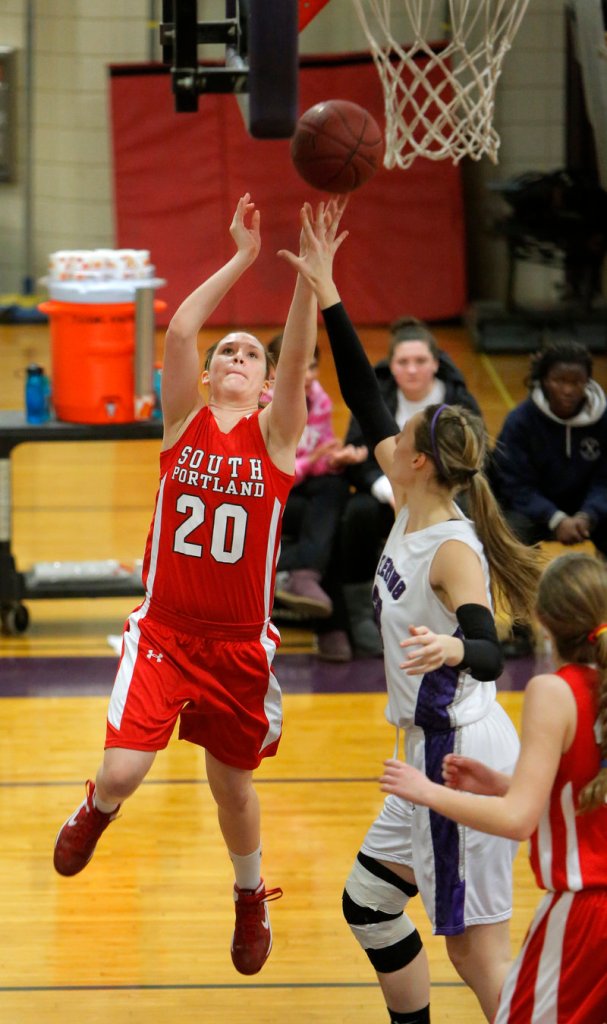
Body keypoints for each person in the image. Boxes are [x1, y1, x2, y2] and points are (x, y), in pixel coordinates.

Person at [278, 200, 542, 1023]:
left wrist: (452, 652)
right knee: (370, 905)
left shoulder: (452, 547)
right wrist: (326, 290)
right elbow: (362, 386)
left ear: (421, 459)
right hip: (423, 754)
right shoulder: (410, 494)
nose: (391, 431)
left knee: (475, 953)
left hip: (456, 754)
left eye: (405, 432)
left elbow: (494, 652)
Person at [53, 193, 322, 977]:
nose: (237, 359)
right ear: (207, 375)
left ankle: (247, 898)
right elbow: (175, 329)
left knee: (232, 792)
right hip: (165, 633)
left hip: (237, 648)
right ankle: (94, 811)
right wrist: (241, 257)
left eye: (251, 357)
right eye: (227, 353)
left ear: (269, 387)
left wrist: (308, 280)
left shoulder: (276, 444)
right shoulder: (182, 425)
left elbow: (300, 358)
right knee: (123, 771)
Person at [380, 551, 607, 1023]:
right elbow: (585, 791)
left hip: (588, 914)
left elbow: (518, 821)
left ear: (543, 621)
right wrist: (504, 783)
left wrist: (426, 791)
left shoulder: (554, 690)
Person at [339, 318, 483, 658]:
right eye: (403, 362)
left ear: (435, 363)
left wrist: (434, 499)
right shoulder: (381, 396)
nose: (413, 369)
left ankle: (471, 615)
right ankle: (360, 616)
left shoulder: (459, 402)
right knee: (356, 514)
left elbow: (475, 462)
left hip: (446, 500)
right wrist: (387, 490)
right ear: (392, 365)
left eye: (420, 361)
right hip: (388, 496)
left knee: (477, 519)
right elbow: (357, 457)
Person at [491, 338, 607, 657]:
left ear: (588, 382)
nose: (568, 390)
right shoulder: (521, 421)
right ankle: (519, 628)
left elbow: (605, 480)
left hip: (589, 511)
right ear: (543, 381)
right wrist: (555, 519)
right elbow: (514, 484)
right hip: (536, 510)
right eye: (560, 381)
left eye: (577, 382)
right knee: (511, 533)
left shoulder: (604, 420)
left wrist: (588, 515)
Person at [267, 334, 367, 664]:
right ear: (275, 368)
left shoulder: (319, 399)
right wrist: (311, 464)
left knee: (335, 486)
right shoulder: (263, 403)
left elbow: (318, 456)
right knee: (330, 526)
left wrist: (334, 459)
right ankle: (331, 626)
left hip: (304, 485)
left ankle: (303, 574)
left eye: (312, 366)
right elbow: (269, 472)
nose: (308, 374)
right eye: (299, 366)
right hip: (270, 495)